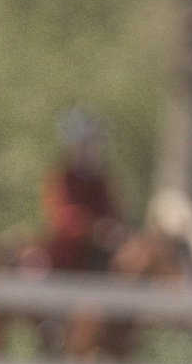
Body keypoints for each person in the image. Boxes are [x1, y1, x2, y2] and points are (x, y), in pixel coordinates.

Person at [22, 108, 124, 274]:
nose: (88, 148)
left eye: (91, 143)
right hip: (66, 249)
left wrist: (111, 227)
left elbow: (111, 209)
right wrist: (91, 227)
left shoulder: (100, 180)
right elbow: (58, 215)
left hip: (99, 247)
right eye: (83, 143)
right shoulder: (61, 176)